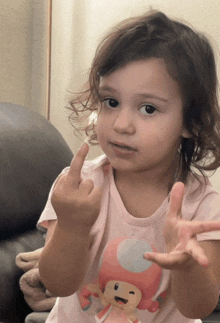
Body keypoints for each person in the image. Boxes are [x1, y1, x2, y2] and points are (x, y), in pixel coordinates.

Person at [38, 10, 220, 323]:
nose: (122, 124)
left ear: (190, 121)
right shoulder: (78, 187)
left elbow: (197, 308)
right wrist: (71, 227)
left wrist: (188, 266)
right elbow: (57, 284)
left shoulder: (203, 205)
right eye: (111, 102)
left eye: (148, 108)